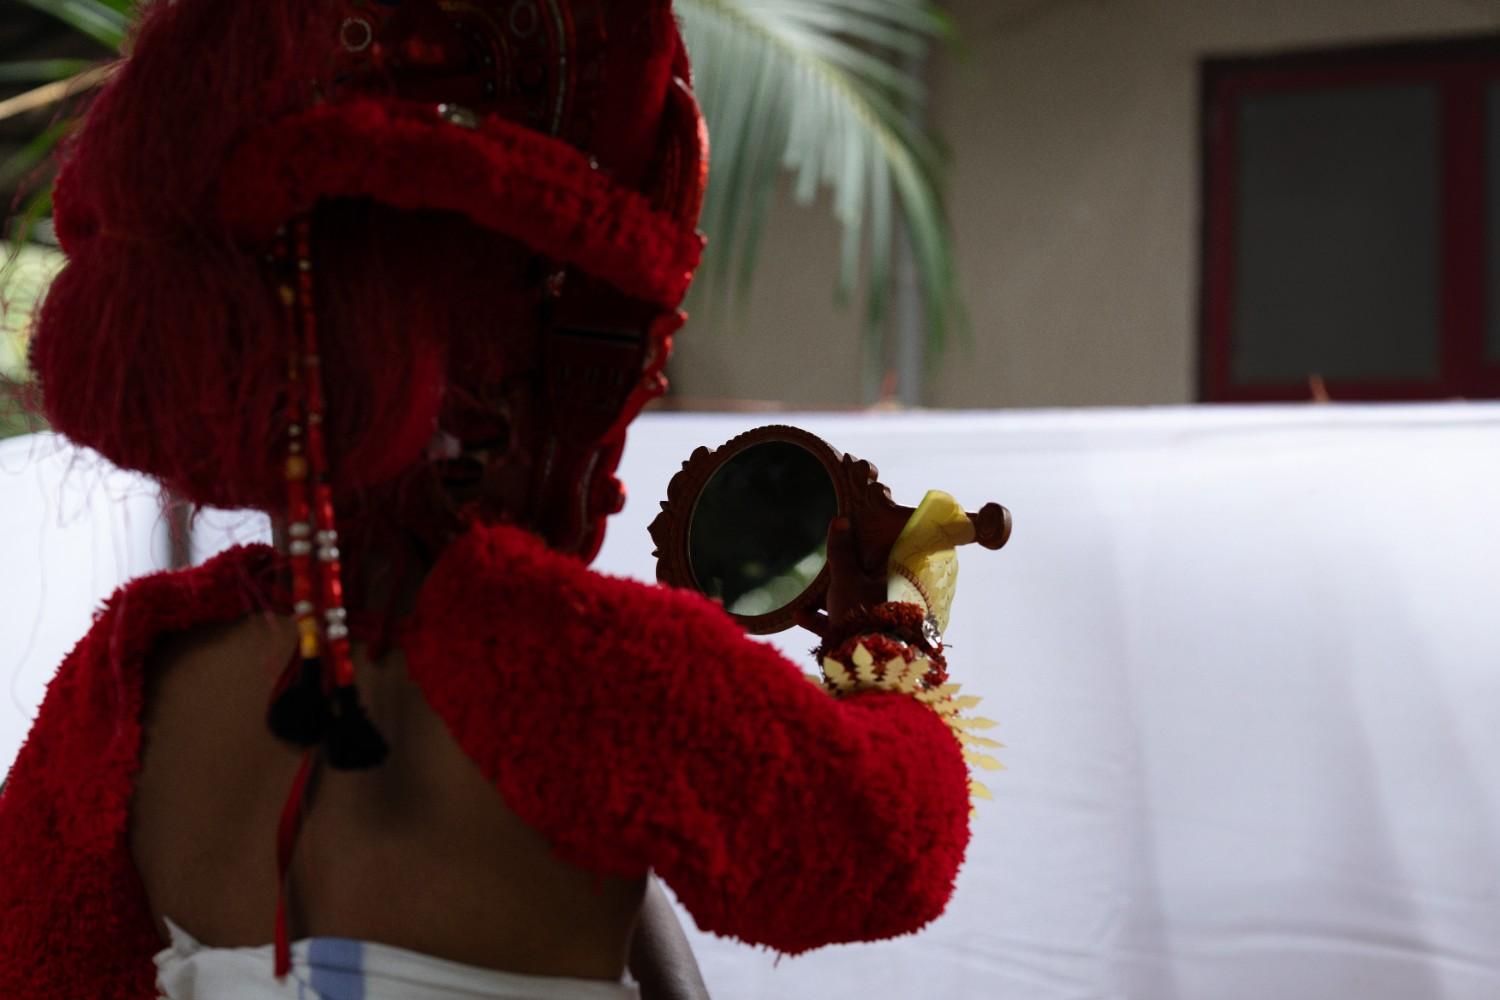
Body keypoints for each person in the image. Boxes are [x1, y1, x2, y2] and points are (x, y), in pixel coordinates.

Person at [0, 1, 990, 996]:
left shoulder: (133, 676)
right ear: (503, 386)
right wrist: (893, 620)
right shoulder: (569, 656)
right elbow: (881, 847)